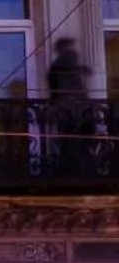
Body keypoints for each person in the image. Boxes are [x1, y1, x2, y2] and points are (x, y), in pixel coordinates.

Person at [46, 37, 93, 179]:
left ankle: (72, 168)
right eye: (69, 48)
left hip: (71, 108)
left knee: (70, 140)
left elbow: (53, 85)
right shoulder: (65, 63)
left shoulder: (61, 65)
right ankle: (76, 169)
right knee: (75, 140)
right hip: (73, 108)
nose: (72, 51)